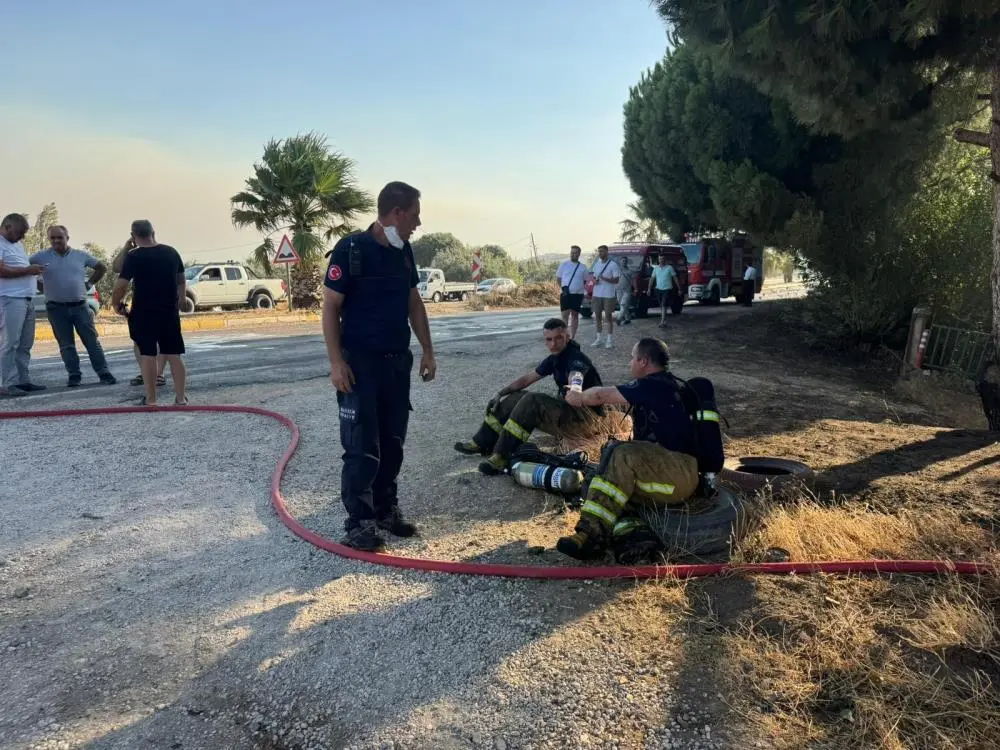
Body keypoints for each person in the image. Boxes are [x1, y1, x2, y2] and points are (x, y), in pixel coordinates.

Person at [323, 181, 437, 552]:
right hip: (359, 366)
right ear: (396, 213)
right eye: (414, 216)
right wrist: (336, 362)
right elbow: (330, 308)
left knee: (393, 442)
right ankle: (359, 521)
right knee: (361, 446)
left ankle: (386, 508)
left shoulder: (405, 253)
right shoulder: (351, 250)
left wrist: (427, 351)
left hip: (394, 364)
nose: (417, 224)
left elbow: (414, 303)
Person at [557, 338, 699, 561]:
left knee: (622, 455)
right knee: (602, 475)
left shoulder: (654, 385)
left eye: (632, 358)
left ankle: (590, 536)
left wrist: (579, 396)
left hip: (678, 474)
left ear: (643, 361)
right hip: (670, 470)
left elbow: (602, 395)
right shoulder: (664, 386)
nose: (630, 363)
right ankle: (631, 537)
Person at [455, 317, 606, 473]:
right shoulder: (554, 359)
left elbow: (576, 376)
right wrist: (500, 393)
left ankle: (502, 457)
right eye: (549, 339)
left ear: (567, 337)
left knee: (532, 400)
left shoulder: (576, 358)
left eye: (558, 338)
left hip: (587, 420)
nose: (553, 344)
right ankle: (483, 442)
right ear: (545, 341)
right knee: (517, 396)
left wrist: (575, 389)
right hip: (571, 414)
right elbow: (527, 379)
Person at [110, 220, 188, 406]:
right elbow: (181, 279)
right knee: (173, 355)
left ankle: (152, 400)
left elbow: (120, 285)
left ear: (133, 235)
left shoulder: (134, 256)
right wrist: (182, 299)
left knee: (147, 355)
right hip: (169, 310)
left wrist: (116, 304)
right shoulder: (171, 252)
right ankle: (180, 398)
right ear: (154, 232)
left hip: (143, 312)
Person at [30, 225, 117, 387]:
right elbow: (25, 268)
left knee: (92, 341)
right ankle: (74, 375)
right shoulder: (40, 257)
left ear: (67, 238)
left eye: (60, 237)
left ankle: (103, 372)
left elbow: (101, 267)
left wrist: (89, 283)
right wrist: (38, 285)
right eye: (52, 238)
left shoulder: (80, 255)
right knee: (66, 345)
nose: (56, 241)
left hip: (80, 307)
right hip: (56, 309)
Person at [0, 213, 46, 398]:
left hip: (27, 299)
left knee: (25, 343)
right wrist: (28, 270)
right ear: (7, 226)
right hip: (10, 299)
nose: (23, 237)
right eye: (20, 232)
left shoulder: (16, 245)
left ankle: (22, 380)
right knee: (9, 343)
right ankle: (5, 384)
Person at [113, 238, 167, 388]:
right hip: (141, 303)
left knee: (161, 340)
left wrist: (115, 303)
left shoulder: (164, 252)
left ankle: (158, 374)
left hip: (161, 302)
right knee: (139, 340)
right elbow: (116, 268)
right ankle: (147, 372)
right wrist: (126, 248)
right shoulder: (134, 255)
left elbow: (121, 283)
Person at [589, 245, 620, 349]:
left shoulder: (613, 265)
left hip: (609, 294)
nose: (600, 253)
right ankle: (598, 339)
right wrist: (594, 281)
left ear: (607, 252)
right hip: (597, 294)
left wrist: (604, 278)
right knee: (597, 316)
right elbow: (592, 278)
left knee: (608, 317)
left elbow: (616, 280)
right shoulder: (596, 265)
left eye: (602, 251)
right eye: (599, 252)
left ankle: (609, 340)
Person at [555, 245, 586, 339]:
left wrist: (577, 287)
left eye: (575, 253)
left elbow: (585, 280)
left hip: (577, 294)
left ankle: (573, 337)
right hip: (566, 294)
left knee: (575, 315)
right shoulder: (564, 264)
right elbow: (558, 278)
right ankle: (565, 336)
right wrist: (563, 288)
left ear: (579, 254)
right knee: (565, 315)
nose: (573, 254)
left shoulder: (583, 267)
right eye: (571, 253)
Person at [648, 253, 679, 328]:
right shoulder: (656, 268)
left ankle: (662, 321)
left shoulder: (669, 268)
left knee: (664, 304)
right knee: (662, 305)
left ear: (665, 259)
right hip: (658, 289)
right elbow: (652, 279)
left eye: (663, 259)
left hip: (667, 289)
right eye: (660, 259)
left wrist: (679, 288)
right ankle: (664, 320)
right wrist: (649, 289)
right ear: (658, 260)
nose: (661, 260)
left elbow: (675, 278)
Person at [615, 256, 634, 326]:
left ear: (627, 262)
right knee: (622, 305)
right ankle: (628, 318)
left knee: (623, 304)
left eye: (625, 261)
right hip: (618, 290)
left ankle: (618, 318)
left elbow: (633, 280)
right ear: (620, 261)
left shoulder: (630, 270)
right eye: (623, 261)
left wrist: (635, 289)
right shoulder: (616, 270)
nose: (624, 262)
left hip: (627, 290)